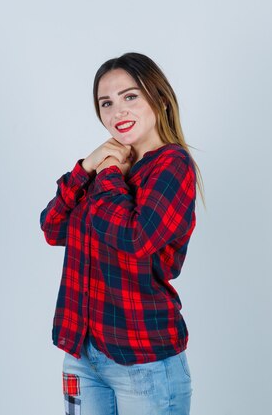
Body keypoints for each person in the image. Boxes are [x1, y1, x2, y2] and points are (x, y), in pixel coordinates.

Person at [39, 52, 205, 415]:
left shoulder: (172, 166)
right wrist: (86, 166)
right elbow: (52, 227)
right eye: (106, 103)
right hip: (83, 355)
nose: (117, 112)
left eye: (130, 96)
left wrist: (110, 170)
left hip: (143, 360)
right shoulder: (101, 168)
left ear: (158, 98)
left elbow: (136, 238)